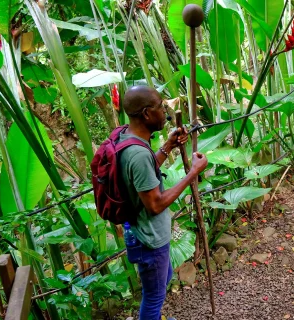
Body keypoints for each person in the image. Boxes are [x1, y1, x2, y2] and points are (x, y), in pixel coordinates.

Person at [120, 85, 208, 320]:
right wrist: (193, 174)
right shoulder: (137, 155)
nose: (166, 113)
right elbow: (155, 204)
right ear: (147, 113)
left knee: (163, 278)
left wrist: (167, 146)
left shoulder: (129, 140)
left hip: (146, 234)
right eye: (161, 107)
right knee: (154, 298)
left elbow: (144, 176)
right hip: (150, 239)